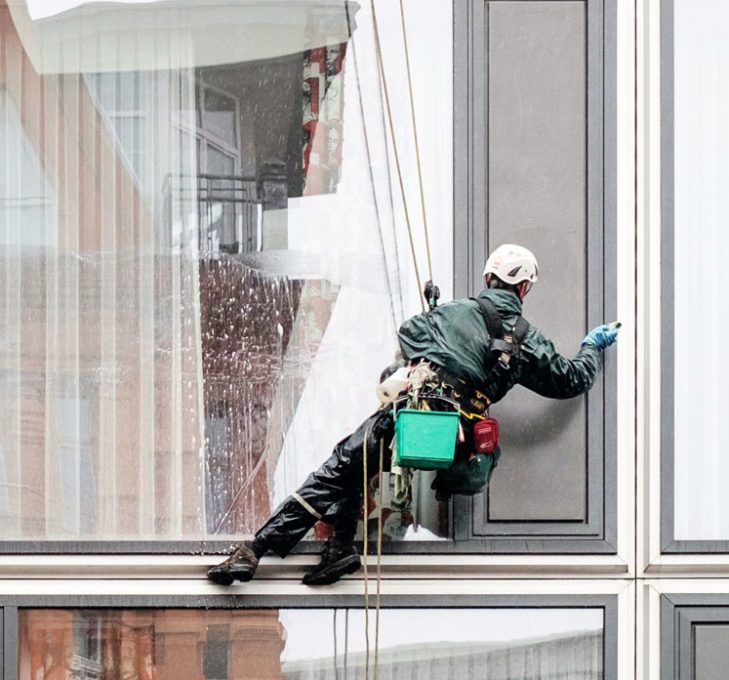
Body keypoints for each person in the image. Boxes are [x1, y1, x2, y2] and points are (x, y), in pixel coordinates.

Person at [207, 244, 619, 587]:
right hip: (460, 438)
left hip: (416, 418)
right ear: (524, 286)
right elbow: (571, 379)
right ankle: (339, 550)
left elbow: (408, 334)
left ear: (488, 278)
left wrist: (434, 322)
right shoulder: (529, 340)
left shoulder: (452, 313)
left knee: (341, 466)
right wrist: (592, 347)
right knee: (354, 465)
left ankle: (255, 550)